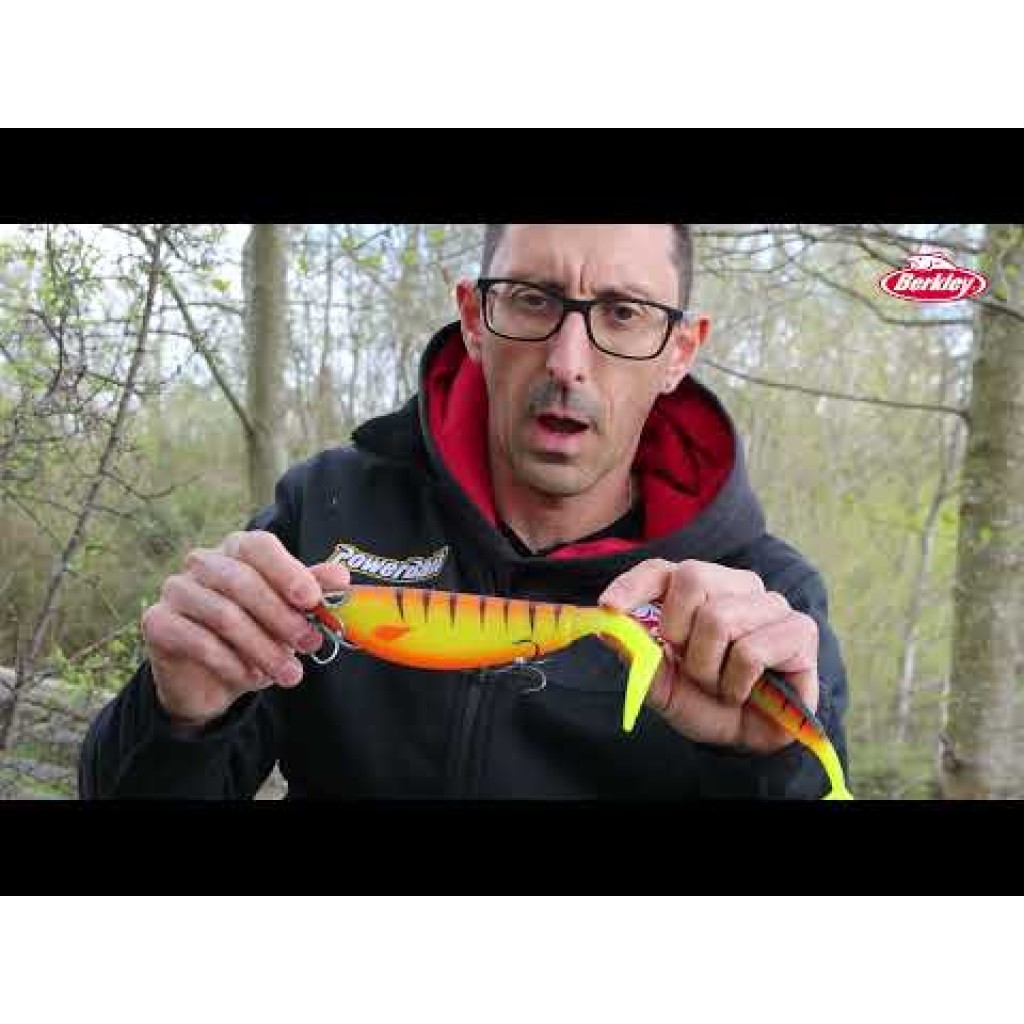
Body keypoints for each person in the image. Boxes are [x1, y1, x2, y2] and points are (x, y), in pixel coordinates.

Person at [78, 223, 850, 799]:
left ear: (679, 350)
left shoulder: (764, 609)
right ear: (475, 319)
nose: (567, 362)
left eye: (623, 312)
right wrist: (179, 717)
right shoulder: (324, 509)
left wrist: (770, 767)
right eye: (532, 299)